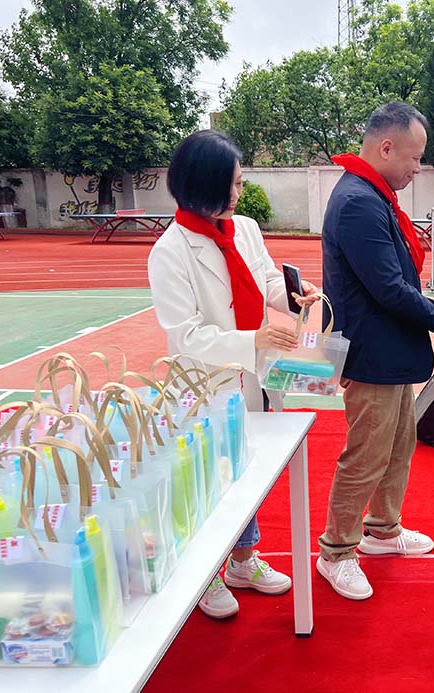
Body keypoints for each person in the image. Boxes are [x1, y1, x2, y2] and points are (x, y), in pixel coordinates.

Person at [318, 101, 434, 600]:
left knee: (396, 445)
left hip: (389, 349)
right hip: (372, 352)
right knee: (365, 454)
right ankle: (336, 551)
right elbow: (389, 290)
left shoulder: (373, 195)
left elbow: (395, 283)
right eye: (414, 158)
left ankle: (383, 529)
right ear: (386, 147)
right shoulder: (359, 201)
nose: (418, 168)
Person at [148, 130, 320, 619]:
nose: (238, 193)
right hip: (204, 386)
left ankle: (243, 560)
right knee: (208, 481)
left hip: (253, 374)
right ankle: (204, 575)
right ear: (199, 186)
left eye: (241, 182)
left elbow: (264, 279)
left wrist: (294, 295)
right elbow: (186, 335)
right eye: (231, 184)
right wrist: (252, 340)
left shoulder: (243, 228)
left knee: (248, 470)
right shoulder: (170, 252)